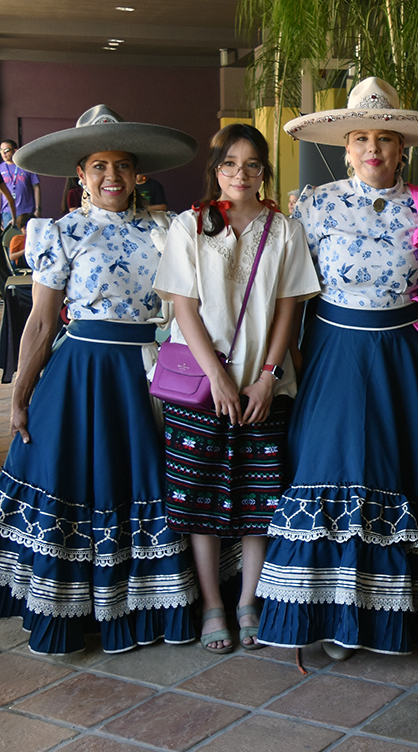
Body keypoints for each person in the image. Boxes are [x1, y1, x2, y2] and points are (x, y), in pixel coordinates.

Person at [256, 77, 418, 657]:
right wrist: (291, 363)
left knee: (405, 472)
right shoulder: (314, 205)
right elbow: (294, 294)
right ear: (346, 148)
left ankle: (399, 610)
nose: (374, 148)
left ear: (403, 149)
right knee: (337, 467)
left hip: (406, 353)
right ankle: (338, 614)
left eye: (386, 139)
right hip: (336, 352)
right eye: (362, 139)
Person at [0, 105, 199, 654]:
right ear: (81, 175)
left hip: (146, 374)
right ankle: (71, 607)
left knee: (141, 482)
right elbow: (42, 322)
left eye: (122, 165)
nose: (112, 176)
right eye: (99, 166)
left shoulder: (165, 229)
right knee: (75, 480)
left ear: (137, 174)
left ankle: (141, 605)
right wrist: (20, 395)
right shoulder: (58, 233)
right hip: (81, 374)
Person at [154, 124, 319, 653]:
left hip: (263, 386)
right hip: (201, 385)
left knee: (260, 498)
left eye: (252, 165)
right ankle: (212, 605)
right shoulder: (189, 225)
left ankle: (248, 601)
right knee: (198, 497)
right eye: (229, 163)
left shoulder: (285, 229)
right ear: (216, 169)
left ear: (264, 171)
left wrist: (268, 376)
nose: (240, 174)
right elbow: (184, 307)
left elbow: (289, 308)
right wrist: (219, 378)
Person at [0, 139, 38, 225]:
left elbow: (36, 187)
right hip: (7, 212)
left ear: (15, 151)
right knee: (10, 233)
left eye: (6, 150)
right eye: (1, 150)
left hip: (27, 210)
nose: (3, 153)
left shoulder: (26, 166)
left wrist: (38, 208)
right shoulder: (0, 168)